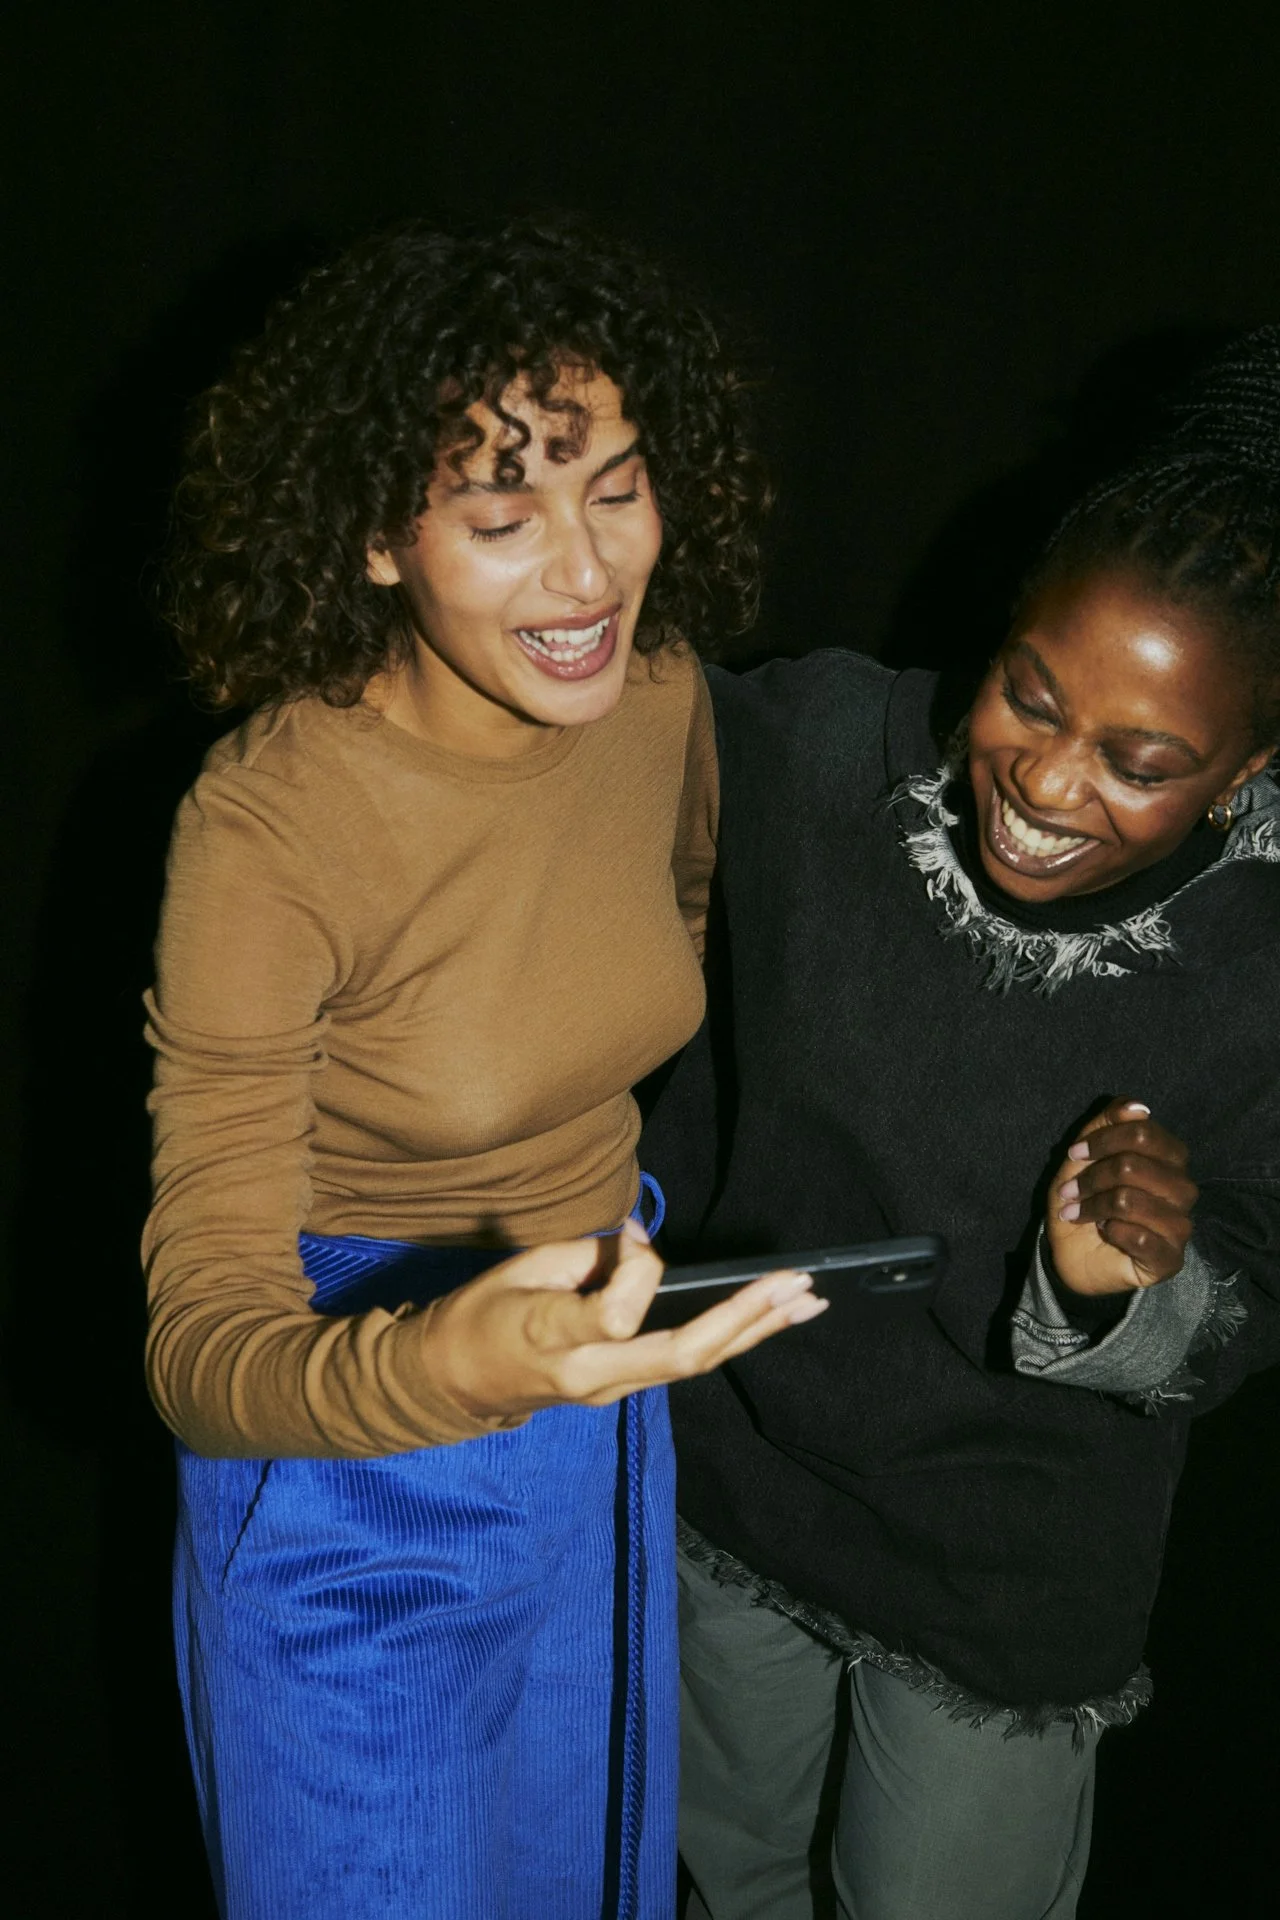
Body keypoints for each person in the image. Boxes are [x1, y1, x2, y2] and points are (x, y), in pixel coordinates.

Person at [143, 214, 825, 1920]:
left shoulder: (657, 697)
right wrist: (453, 1353)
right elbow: (198, 1346)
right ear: (377, 540)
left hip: (592, 1406)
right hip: (342, 1440)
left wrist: (558, 1335)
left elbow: (655, 931)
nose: (586, 575)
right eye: (505, 519)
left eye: (618, 489)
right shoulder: (267, 825)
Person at [641, 326, 1280, 1919]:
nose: (1049, 783)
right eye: (1028, 696)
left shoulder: (1264, 958)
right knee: (727, 1882)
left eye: (1141, 762)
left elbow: (1253, 1288)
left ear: (1248, 767)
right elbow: (568, 754)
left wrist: (1125, 1281)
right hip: (736, 1486)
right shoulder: (816, 752)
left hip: (1005, 1573)